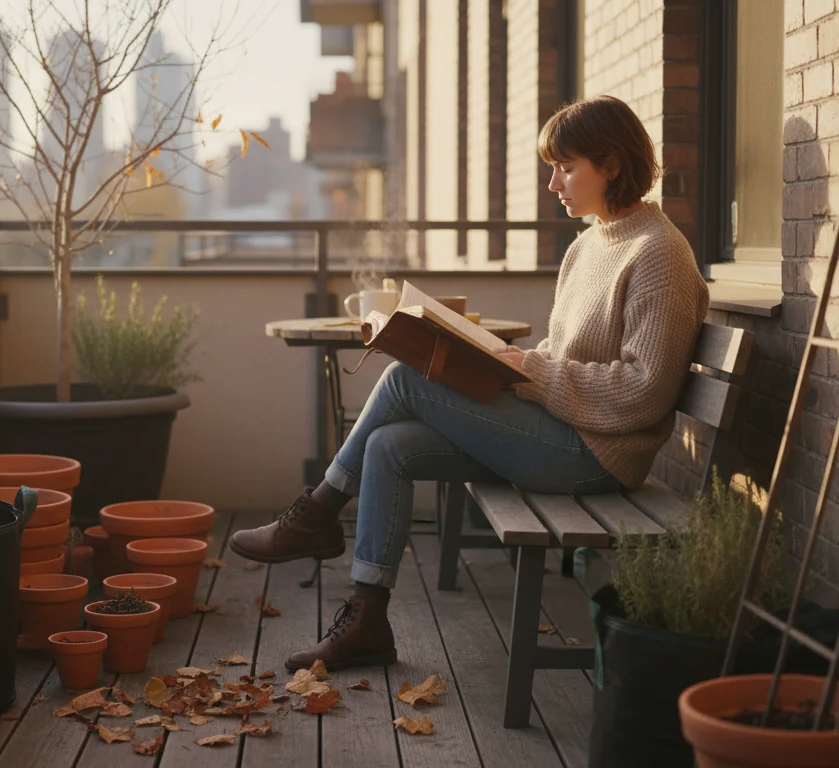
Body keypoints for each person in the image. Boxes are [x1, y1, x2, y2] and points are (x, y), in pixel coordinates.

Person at [230, 95, 710, 671]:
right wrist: (501, 366)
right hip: (557, 431)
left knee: (406, 378)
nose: (553, 183)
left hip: (598, 455)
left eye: (565, 167)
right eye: (551, 168)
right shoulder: (588, 245)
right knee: (387, 446)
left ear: (611, 164)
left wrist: (525, 370)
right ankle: (367, 619)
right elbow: (563, 355)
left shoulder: (658, 253)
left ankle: (317, 513)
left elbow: (644, 390)